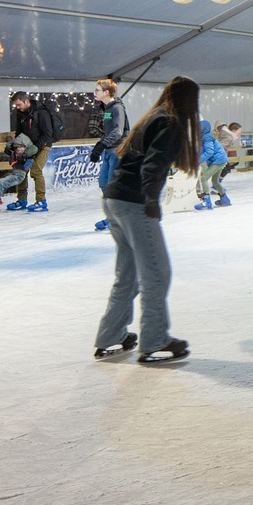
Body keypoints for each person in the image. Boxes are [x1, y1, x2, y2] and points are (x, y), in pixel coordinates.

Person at [94, 76, 201, 364]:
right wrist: (151, 200)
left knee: (127, 275)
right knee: (156, 273)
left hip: (114, 200)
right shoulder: (170, 123)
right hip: (134, 203)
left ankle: (110, 336)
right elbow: (153, 164)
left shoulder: (153, 116)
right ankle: (154, 341)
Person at [88, 79, 128, 231]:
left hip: (118, 151)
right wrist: (99, 146)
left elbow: (118, 132)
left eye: (97, 90)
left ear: (106, 92)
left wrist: (102, 145)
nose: (94, 93)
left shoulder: (117, 108)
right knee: (104, 183)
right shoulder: (107, 109)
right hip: (108, 151)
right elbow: (108, 132)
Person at [6, 91, 54, 212]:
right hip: (27, 144)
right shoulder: (20, 113)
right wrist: (15, 145)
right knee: (20, 169)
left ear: (26, 101)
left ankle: (41, 201)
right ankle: (21, 200)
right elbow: (19, 132)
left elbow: (48, 134)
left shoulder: (41, 113)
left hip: (43, 145)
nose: (17, 107)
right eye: (16, 105)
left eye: (19, 105)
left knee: (35, 170)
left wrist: (36, 149)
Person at [0, 132, 40, 215]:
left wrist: (24, 159)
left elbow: (27, 165)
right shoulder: (16, 153)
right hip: (14, 173)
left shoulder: (28, 155)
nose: (18, 149)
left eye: (21, 147)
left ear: (25, 147)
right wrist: (10, 147)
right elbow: (9, 149)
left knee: (2, 183)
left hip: (19, 175)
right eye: (17, 148)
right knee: (1, 181)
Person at [194, 119, 229, 209]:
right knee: (215, 181)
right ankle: (225, 199)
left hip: (218, 161)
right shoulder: (205, 137)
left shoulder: (207, 138)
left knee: (204, 178)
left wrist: (198, 160)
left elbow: (209, 152)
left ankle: (207, 201)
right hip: (220, 159)